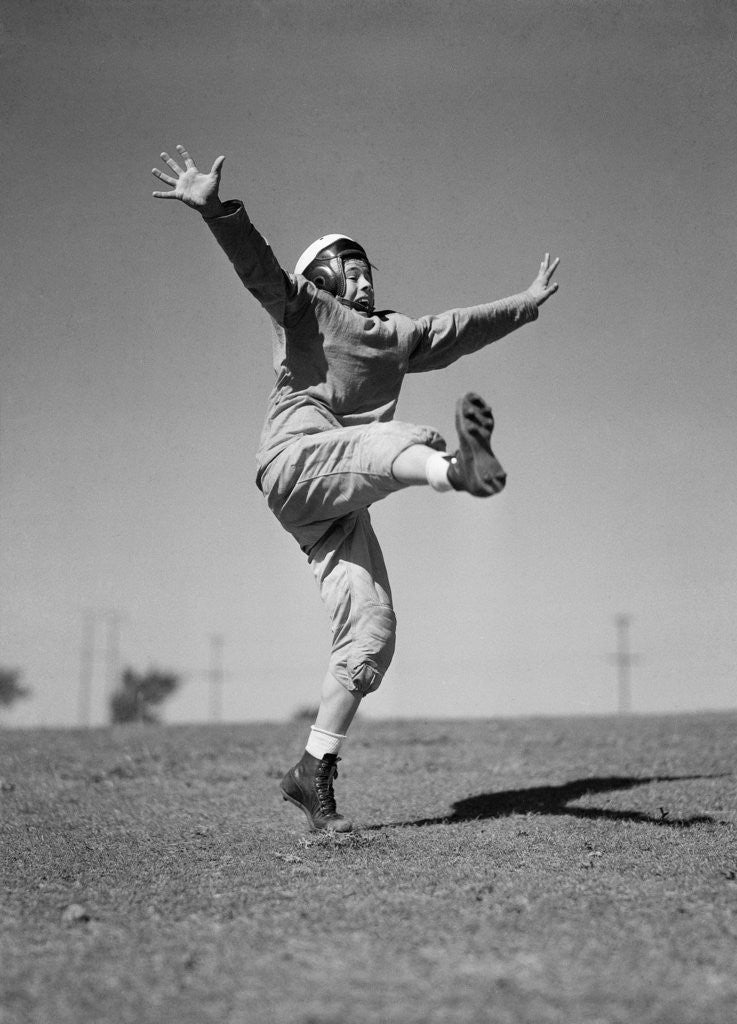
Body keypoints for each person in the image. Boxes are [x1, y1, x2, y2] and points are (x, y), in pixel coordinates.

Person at [151, 144, 560, 833]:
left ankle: (311, 771)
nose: (365, 278)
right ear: (323, 275)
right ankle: (452, 470)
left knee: (372, 632)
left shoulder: (398, 335)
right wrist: (216, 211)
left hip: (341, 499)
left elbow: (462, 328)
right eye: (352, 268)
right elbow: (257, 266)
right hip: (295, 462)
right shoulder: (304, 308)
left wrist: (524, 304)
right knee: (390, 443)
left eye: (369, 269)